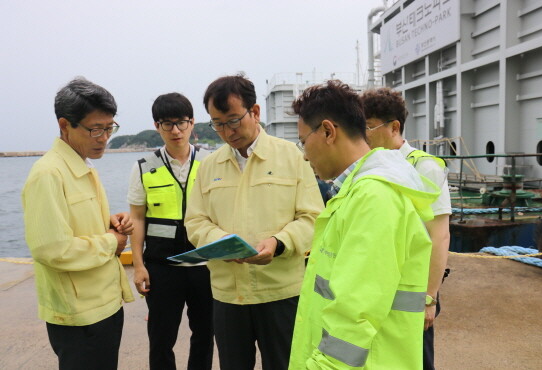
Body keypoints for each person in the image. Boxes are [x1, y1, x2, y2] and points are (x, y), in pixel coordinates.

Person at [288, 80, 440, 369]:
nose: (305, 154)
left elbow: (354, 315)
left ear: (328, 131)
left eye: (303, 141)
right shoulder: (355, 193)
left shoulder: (374, 198)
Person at [185, 74, 323, 370]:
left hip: (281, 292)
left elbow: (313, 218)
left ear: (255, 112)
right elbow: (195, 221)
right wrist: (220, 243)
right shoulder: (209, 166)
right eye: (217, 123)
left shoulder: (292, 156)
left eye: (233, 120)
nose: (227, 131)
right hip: (228, 296)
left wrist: (278, 243)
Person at [21, 77, 134, 370]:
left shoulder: (83, 166)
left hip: (103, 303)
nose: (104, 137)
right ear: (64, 125)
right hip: (79, 314)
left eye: (110, 128)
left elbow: (73, 223)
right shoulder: (48, 174)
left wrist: (107, 221)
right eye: (96, 129)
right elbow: (52, 248)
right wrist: (113, 241)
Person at [361, 87, 452, 370]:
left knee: (417, 361)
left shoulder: (424, 168)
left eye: (367, 127)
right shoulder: (366, 167)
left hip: (411, 293)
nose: (362, 136)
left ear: (394, 127)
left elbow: (439, 236)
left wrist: (429, 298)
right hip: (377, 289)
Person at [127, 92, 214, 370]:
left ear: (192, 123)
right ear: (157, 126)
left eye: (181, 122)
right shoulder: (144, 167)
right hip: (162, 267)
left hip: (205, 264)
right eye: (167, 124)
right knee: (161, 337)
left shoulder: (211, 162)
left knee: (205, 334)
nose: (175, 130)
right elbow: (137, 218)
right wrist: (138, 266)